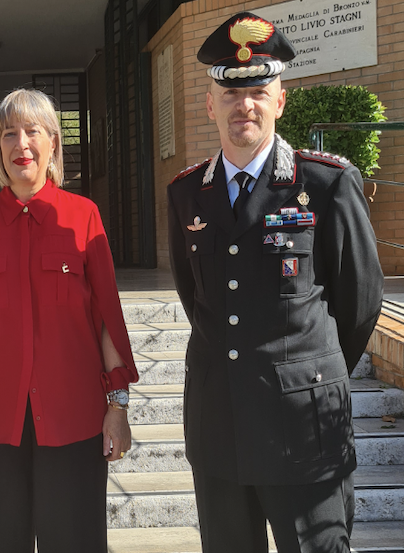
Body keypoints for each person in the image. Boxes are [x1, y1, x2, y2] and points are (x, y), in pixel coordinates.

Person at [167, 12, 384, 553]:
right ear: (211, 103)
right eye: (231, 92)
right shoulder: (187, 194)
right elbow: (195, 298)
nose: (246, 105)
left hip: (303, 429)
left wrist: (306, 370)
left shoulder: (326, 185)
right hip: (219, 427)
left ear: (280, 101)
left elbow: (359, 305)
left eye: (259, 91)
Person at [0, 88, 138, 553]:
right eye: (9, 134)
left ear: (53, 143)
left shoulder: (83, 217)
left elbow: (106, 319)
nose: (20, 143)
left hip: (74, 419)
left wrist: (117, 408)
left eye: (32, 131)